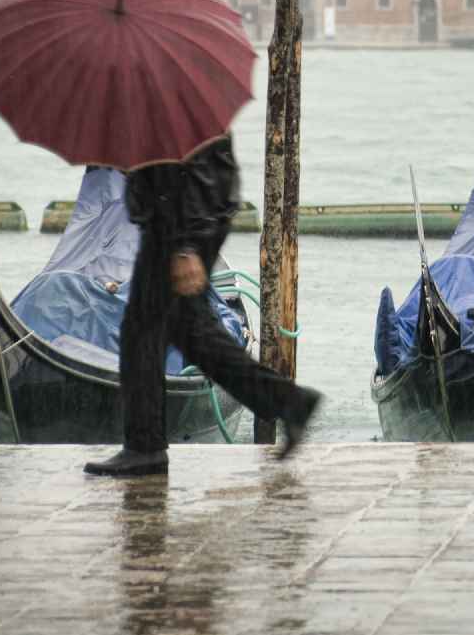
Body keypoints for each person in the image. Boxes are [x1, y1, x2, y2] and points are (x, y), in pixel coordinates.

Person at [85, 136, 320, 476]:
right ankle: (287, 401)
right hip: (186, 220)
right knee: (189, 330)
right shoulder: (174, 99)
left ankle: (144, 447)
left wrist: (184, 246)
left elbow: (178, 166)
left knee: (142, 332)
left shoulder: (163, 100)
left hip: (176, 226)